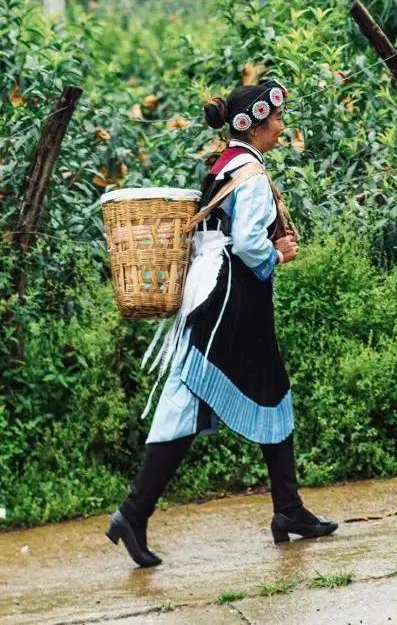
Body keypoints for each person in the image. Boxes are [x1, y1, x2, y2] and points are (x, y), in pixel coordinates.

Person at [107, 79, 336, 567]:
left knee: (271, 387)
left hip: (224, 294)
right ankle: (133, 512)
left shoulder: (226, 164)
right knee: (187, 402)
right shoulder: (250, 172)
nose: (281, 126)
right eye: (275, 118)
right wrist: (277, 253)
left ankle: (289, 510)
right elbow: (250, 242)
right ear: (252, 123)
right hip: (227, 298)